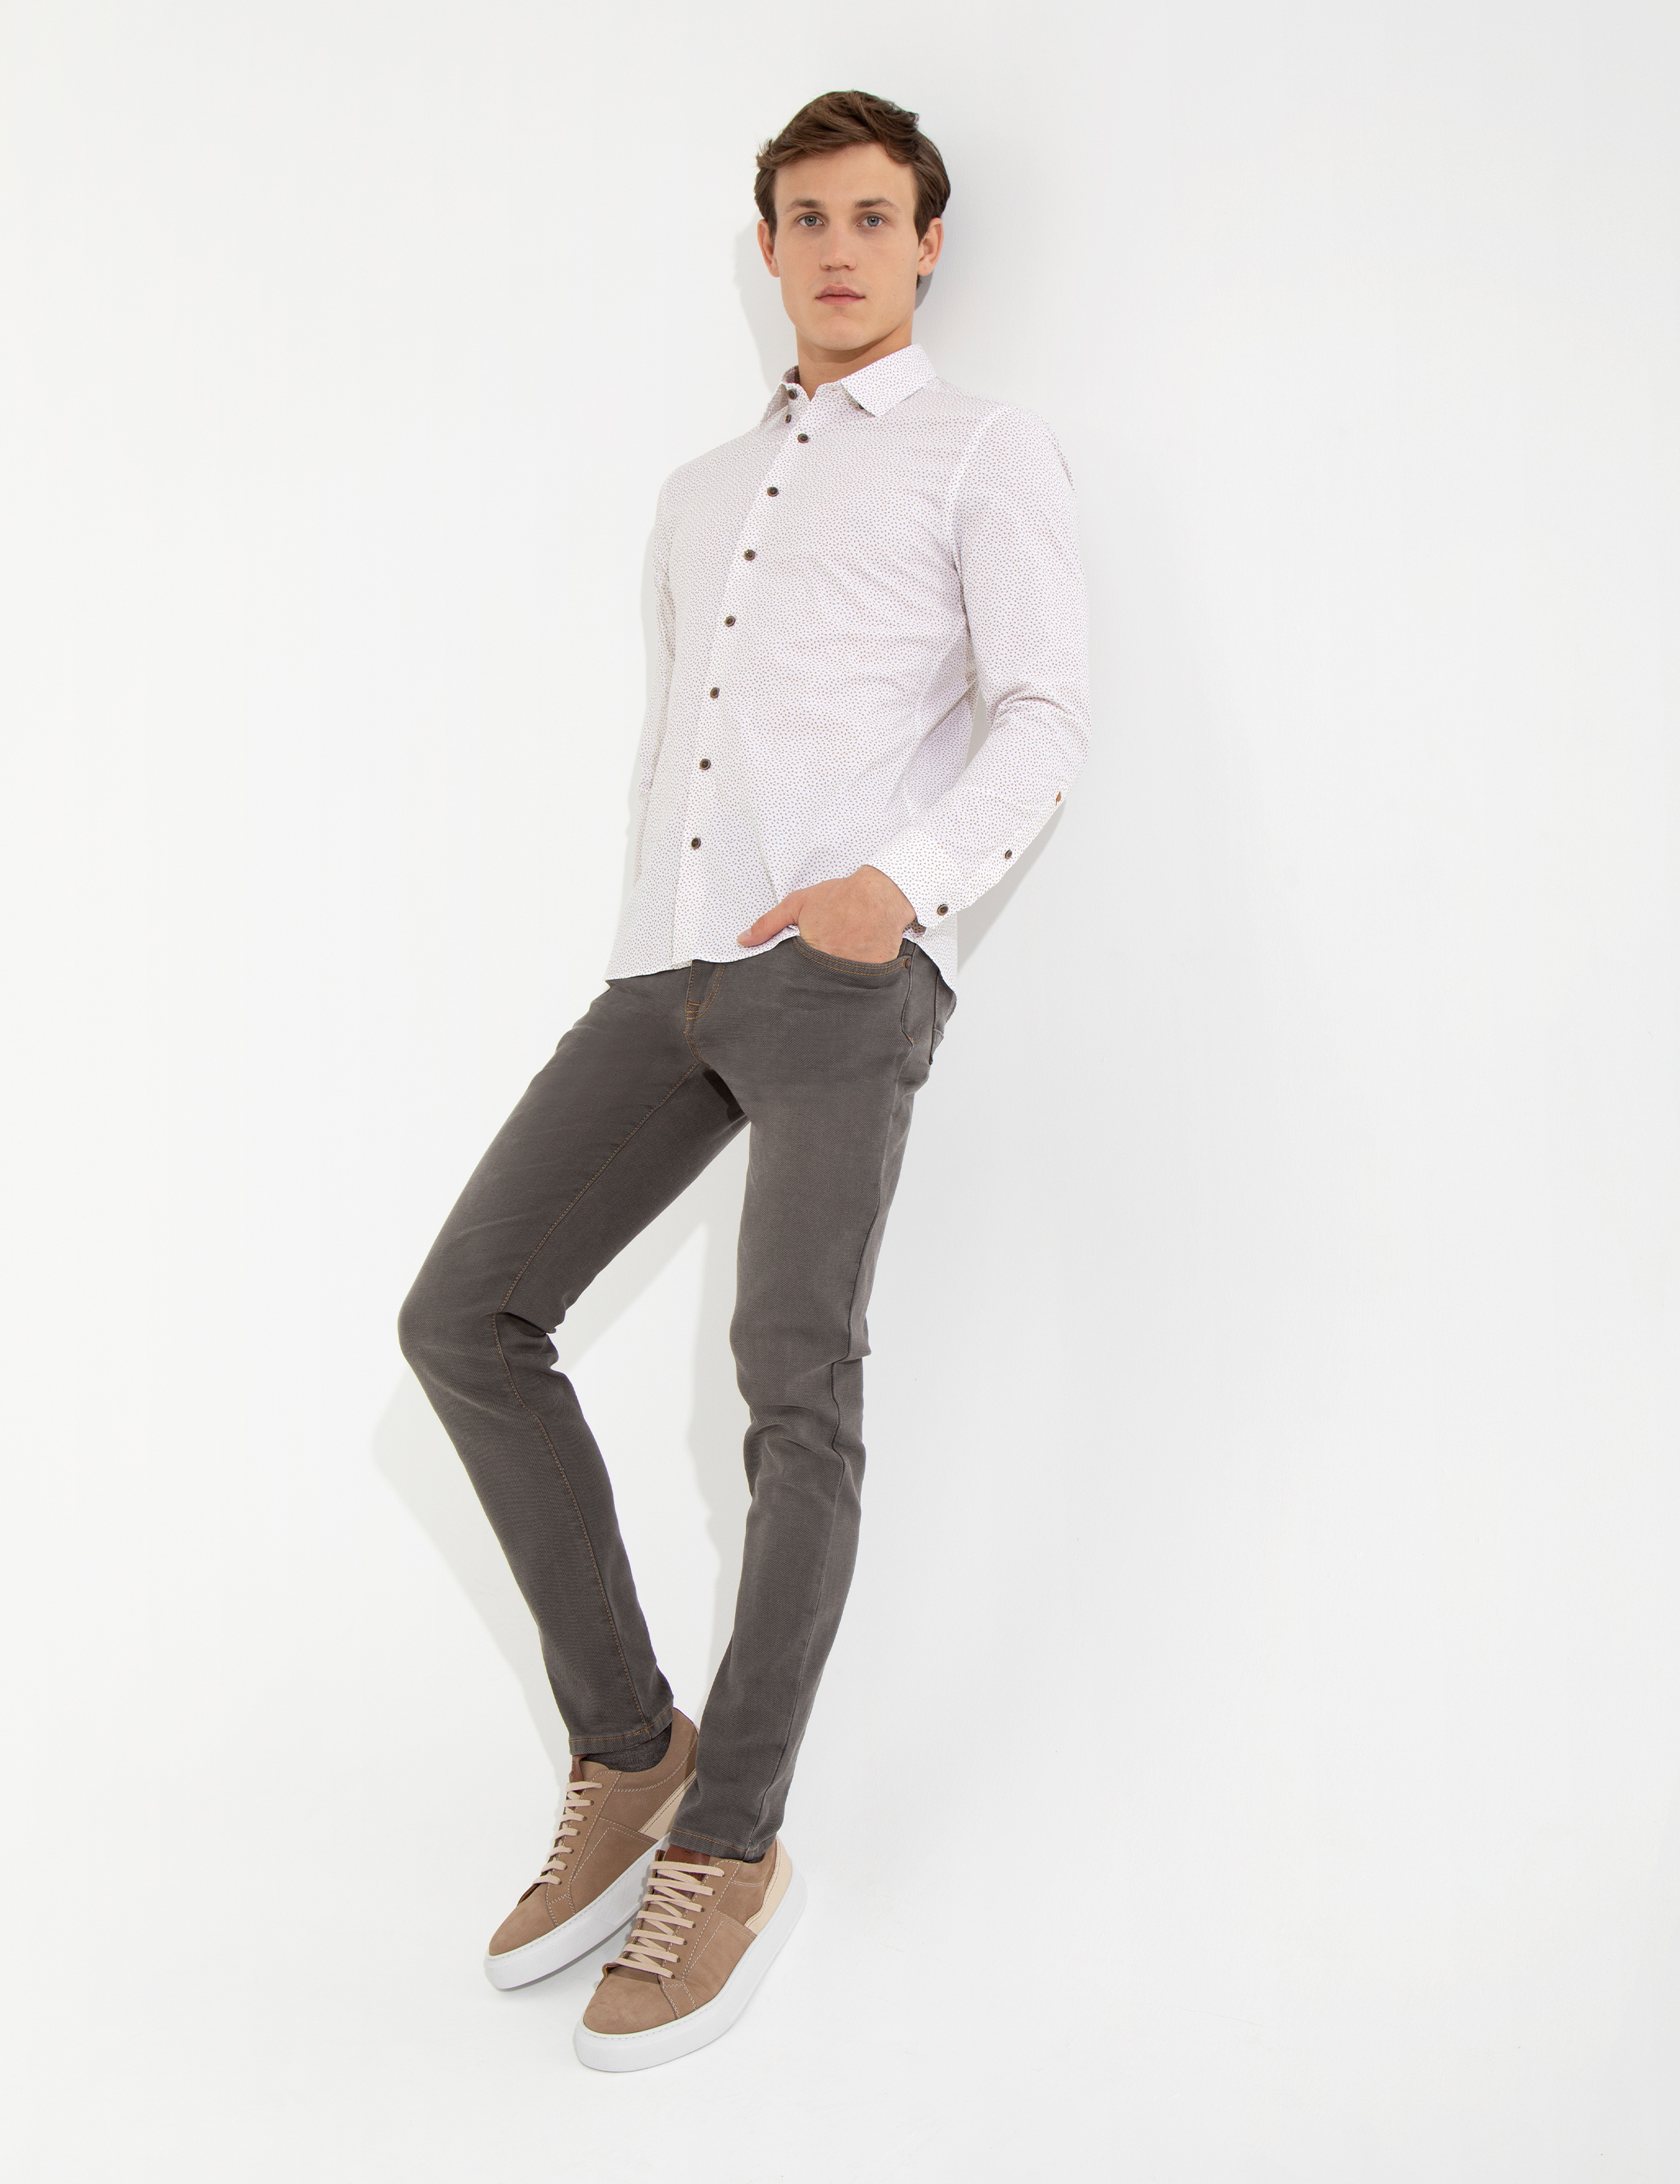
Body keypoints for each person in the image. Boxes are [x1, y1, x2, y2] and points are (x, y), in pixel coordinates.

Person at [398, 87, 1088, 2074]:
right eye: (807, 217)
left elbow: (1047, 715)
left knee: (795, 1387)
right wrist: (652, 941)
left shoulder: (984, 449)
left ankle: (732, 1840)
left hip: (843, 975)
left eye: (875, 217)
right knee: (465, 1319)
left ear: (927, 243)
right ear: (767, 243)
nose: (839, 249)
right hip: (665, 973)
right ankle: (631, 1747)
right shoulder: (701, 491)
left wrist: (900, 889)